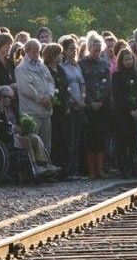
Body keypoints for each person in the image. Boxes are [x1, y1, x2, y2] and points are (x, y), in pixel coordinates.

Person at [15, 39, 56, 155]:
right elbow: (26, 88)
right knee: (33, 145)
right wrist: (41, 99)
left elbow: (50, 82)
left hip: (46, 111)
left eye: (38, 52)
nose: (37, 55)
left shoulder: (42, 66)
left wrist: (50, 96)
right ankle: (35, 168)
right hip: (32, 113)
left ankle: (47, 167)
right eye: (34, 52)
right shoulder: (21, 68)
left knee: (46, 145)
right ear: (27, 51)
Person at [79, 33, 111, 178]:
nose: (97, 53)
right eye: (94, 50)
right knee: (89, 139)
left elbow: (107, 84)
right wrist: (90, 101)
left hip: (102, 105)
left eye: (99, 50)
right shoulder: (82, 64)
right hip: (89, 106)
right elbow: (83, 85)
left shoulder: (104, 63)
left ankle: (100, 169)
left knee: (101, 137)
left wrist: (102, 101)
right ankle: (91, 171)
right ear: (89, 48)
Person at [111, 48, 137, 177]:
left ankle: (135, 167)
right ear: (121, 61)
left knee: (134, 142)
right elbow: (118, 95)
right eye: (126, 59)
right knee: (122, 142)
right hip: (123, 114)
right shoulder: (117, 75)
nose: (129, 61)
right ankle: (123, 168)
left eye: (131, 59)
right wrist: (130, 110)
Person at [60, 36, 87, 180]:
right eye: (71, 49)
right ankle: (68, 170)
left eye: (75, 48)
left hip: (80, 106)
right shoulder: (63, 67)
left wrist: (82, 98)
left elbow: (82, 83)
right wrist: (74, 101)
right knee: (69, 139)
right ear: (64, 51)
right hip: (71, 106)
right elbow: (65, 87)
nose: (74, 51)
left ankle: (76, 170)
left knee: (77, 139)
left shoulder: (76, 66)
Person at [43, 43, 68, 173]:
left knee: (62, 139)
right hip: (53, 110)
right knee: (54, 139)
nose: (61, 56)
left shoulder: (61, 69)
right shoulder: (46, 69)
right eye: (59, 54)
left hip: (63, 109)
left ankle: (63, 167)